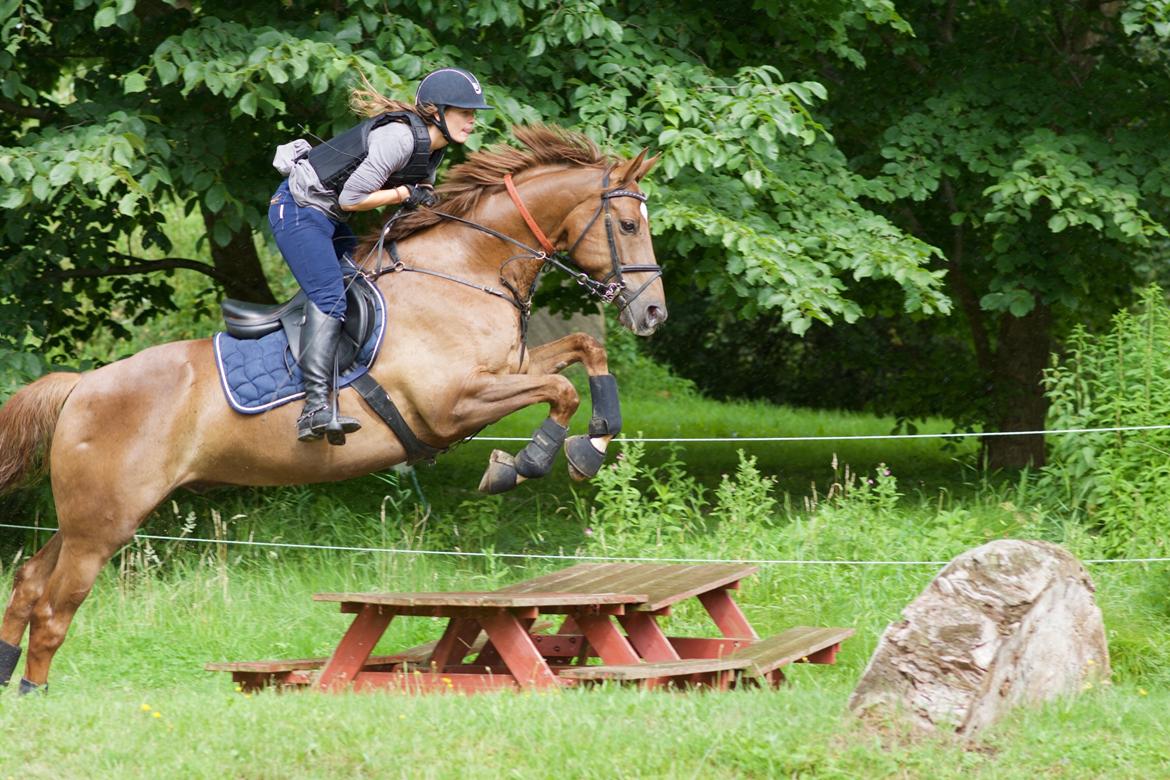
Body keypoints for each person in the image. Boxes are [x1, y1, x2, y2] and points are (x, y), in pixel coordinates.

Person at [269, 68, 492, 443]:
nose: (472, 120)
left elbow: (413, 200)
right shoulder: (399, 138)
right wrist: (405, 194)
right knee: (331, 299)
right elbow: (351, 199)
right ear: (436, 111)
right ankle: (314, 408)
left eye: (474, 113)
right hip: (298, 210)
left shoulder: (433, 149)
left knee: (365, 287)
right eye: (464, 111)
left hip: (328, 217)